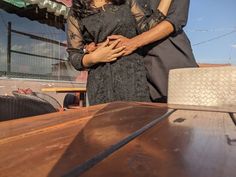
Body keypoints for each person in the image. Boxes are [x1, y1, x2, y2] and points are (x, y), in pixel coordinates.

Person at [67, 0, 172, 105]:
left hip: (133, 77)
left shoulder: (126, 1)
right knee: (105, 120)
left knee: (138, 118)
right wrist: (94, 58)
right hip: (100, 83)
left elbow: (146, 27)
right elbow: (74, 55)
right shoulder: (76, 11)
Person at [108, 0, 199, 103]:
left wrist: (133, 43)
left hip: (169, 60)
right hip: (136, 72)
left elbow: (172, 22)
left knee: (185, 112)